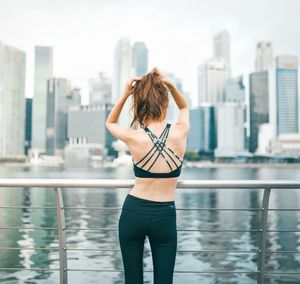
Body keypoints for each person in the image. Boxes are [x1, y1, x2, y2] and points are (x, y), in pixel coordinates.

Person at [105, 67, 190, 284]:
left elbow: (110, 123)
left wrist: (126, 92)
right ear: (165, 102)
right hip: (164, 215)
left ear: (141, 105)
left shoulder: (134, 136)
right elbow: (184, 105)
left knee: (132, 280)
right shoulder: (180, 131)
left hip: (133, 212)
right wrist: (171, 85)